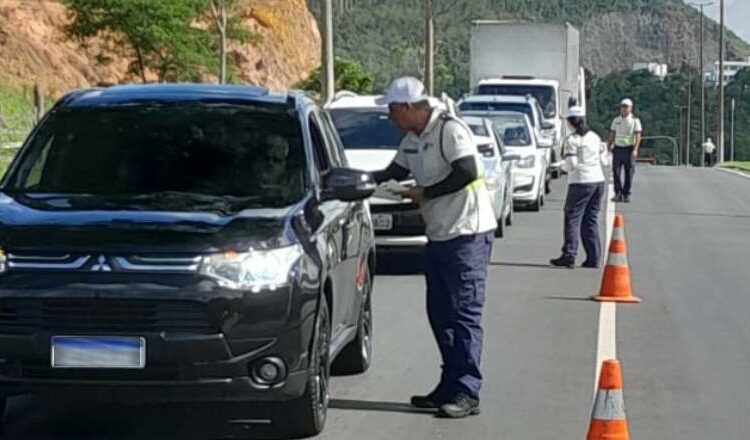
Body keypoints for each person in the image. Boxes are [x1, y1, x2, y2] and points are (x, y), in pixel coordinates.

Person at [372, 77, 497, 418]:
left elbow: (468, 171)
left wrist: (424, 193)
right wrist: (360, 183)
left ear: (409, 107)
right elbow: (392, 170)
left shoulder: (448, 130)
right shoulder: (413, 138)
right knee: (440, 313)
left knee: (464, 313)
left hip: (467, 233)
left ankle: (467, 390)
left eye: (393, 110)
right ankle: (450, 382)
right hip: (440, 233)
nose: (390, 117)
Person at [550, 107, 607, 269]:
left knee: (572, 218)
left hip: (581, 181)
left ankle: (569, 254)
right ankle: (594, 257)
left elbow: (572, 164)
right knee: (590, 220)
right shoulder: (595, 137)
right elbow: (604, 161)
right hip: (598, 180)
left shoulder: (572, 140)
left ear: (569, 122)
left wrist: (559, 167)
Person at [607, 98, 642, 203]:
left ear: (631, 108)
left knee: (629, 172)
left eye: (626, 107)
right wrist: (609, 144)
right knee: (616, 172)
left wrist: (635, 149)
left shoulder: (635, 121)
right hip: (618, 148)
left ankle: (626, 194)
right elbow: (612, 133)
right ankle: (617, 193)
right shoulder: (616, 120)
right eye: (622, 107)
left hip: (629, 148)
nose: (624, 109)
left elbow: (638, 136)